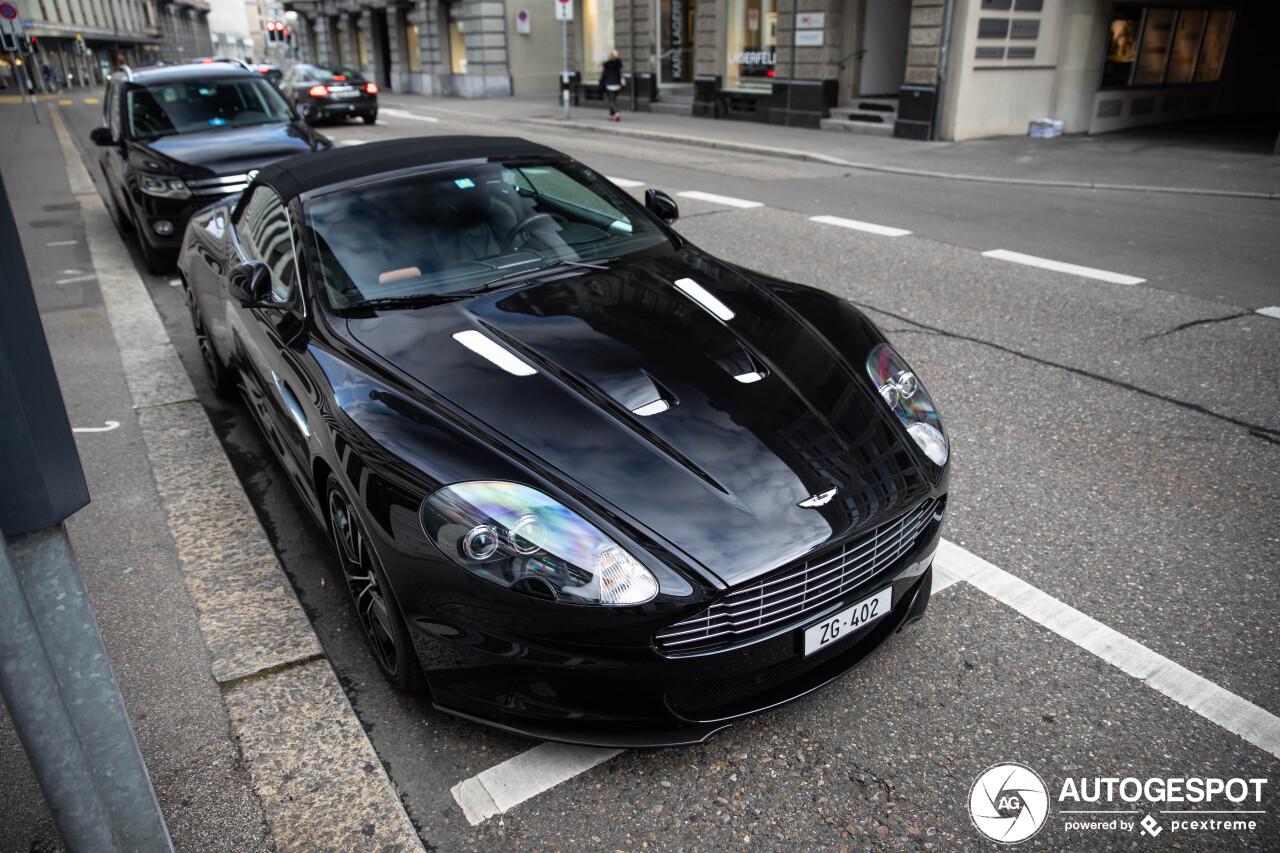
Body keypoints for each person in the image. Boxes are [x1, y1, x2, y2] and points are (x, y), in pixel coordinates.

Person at [599, 50, 623, 122]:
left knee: (611, 101)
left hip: (609, 84)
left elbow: (604, 75)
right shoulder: (619, 65)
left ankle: (616, 112)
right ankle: (611, 115)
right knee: (613, 100)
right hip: (617, 84)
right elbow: (620, 74)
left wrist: (601, 83)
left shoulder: (607, 65)